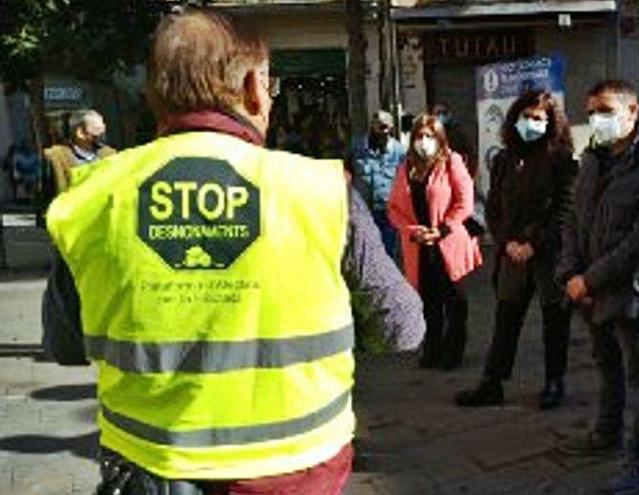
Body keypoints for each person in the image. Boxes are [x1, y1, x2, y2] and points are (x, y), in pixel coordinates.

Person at [41, 9, 424, 494]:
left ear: (154, 97)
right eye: (271, 86)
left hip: (150, 464)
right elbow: (402, 327)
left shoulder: (91, 196)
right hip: (296, 467)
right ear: (252, 88)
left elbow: (64, 344)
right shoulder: (319, 191)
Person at [555, 80, 639, 494]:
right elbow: (574, 220)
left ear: (633, 112)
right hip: (590, 289)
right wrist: (571, 273)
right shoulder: (593, 156)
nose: (597, 118)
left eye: (607, 110)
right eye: (592, 110)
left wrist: (587, 279)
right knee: (606, 365)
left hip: (633, 291)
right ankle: (605, 433)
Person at [455, 90, 576, 410]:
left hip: (548, 254)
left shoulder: (561, 159)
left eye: (539, 119)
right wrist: (507, 241)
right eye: (526, 116)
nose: (531, 123)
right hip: (512, 254)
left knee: (555, 319)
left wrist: (533, 243)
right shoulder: (504, 159)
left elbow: (565, 209)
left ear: (551, 123)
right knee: (506, 318)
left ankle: (554, 381)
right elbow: (494, 208)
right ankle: (491, 383)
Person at [387, 114, 482, 370]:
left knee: (455, 302)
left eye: (429, 136)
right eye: (419, 136)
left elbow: (464, 202)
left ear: (440, 139)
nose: (423, 141)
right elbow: (394, 208)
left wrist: (441, 229)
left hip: (448, 243)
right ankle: (432, 349)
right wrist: (411, 230)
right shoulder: (406, 167)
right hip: (419, 247)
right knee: (429, 302)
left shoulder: (452, 162)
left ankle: (453, 353)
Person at [350, 110, 407, 258]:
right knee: (366, 251)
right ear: (372, 126)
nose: (383, 131)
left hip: (388, 210)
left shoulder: (399, 151)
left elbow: (405, 179)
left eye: (386, 127)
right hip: (364, 209)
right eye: (379, 127)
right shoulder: (357, 147)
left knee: (387, 252)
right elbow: (347, 172)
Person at [44, 109, 116, 195]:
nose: (102, 131)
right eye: (96, 127)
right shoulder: (57, 156)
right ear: (80, 132)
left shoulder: (110, 154)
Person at [430, 103, 476, 176]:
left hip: (456, 170)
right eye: (438, 113)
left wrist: (469, 172)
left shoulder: (457, 132)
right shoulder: (429, 133)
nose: (441, 116)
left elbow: (470, 152)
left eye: (444, 112)